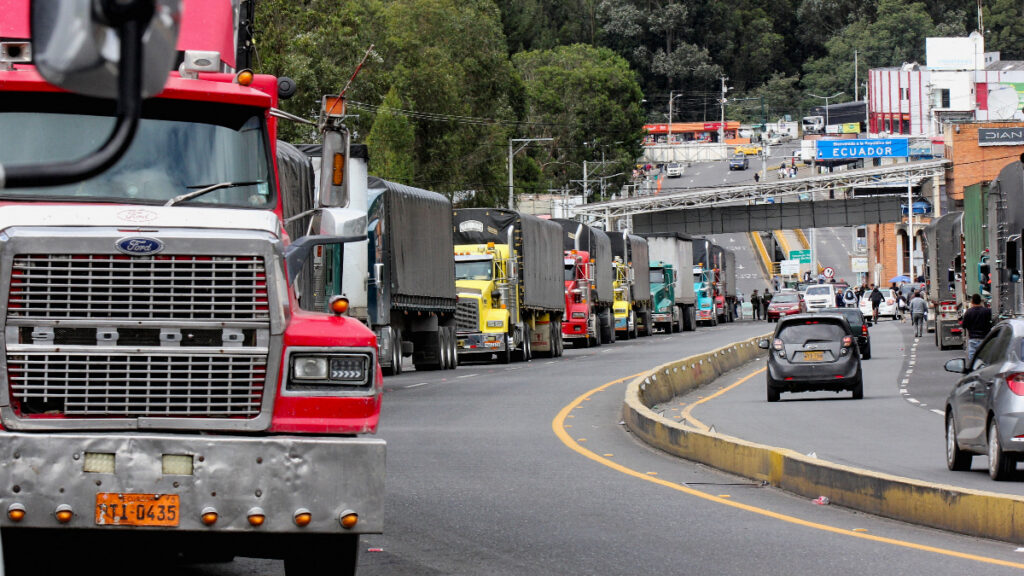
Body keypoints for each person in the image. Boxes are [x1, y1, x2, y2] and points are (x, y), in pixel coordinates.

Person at [961, 293, 993, 363]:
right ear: (980, 301)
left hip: (973, 339)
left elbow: (964, 325)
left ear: (972, 302)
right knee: (985, 359)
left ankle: (973, 371)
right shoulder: (987, 311)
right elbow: (992, 322)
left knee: (972, 360)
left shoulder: (968, 312)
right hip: (985, 339)